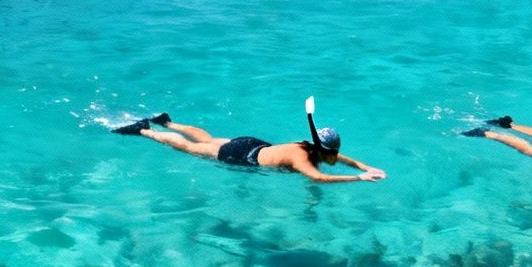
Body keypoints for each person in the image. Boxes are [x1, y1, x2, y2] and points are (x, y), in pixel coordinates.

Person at [112, 109, 387, 184]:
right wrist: (359, 178)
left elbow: (342, 160)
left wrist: (365, 166)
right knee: (190, 149)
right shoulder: (301, 159)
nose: (335, 156)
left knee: (208, 138)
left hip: (254, 144)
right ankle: (146, 130)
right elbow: (320, 178)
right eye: (332, 152)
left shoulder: (311, 148)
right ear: (322, 149)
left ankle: (168, 122)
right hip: (242, 155)